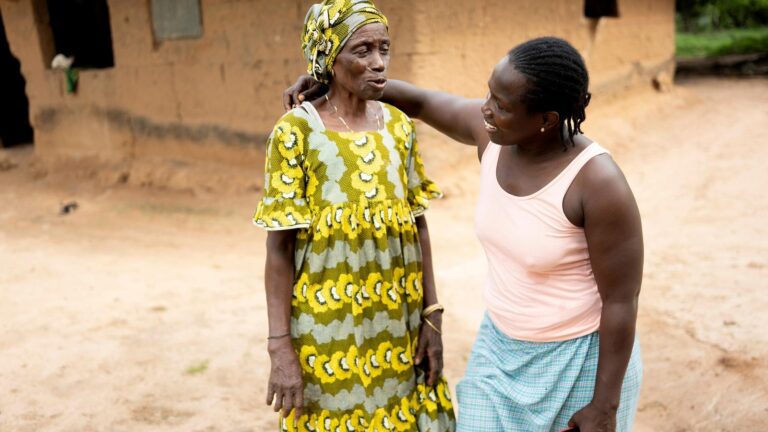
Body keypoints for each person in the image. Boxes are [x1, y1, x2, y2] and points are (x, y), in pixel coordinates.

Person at [285, 36, 643, 432]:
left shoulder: (597, 183)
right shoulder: (490, 135)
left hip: (580, 358)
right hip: (500, 348)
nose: (486, 109)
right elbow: (419, 102)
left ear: (546, 120)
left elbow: (620, 302)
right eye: (489, 94)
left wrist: (604, 406)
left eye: (502, 106)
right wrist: (337, 82)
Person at [254, 1, 456, 431]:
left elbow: (417, 223)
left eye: (385, 48)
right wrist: (279, 345)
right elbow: (279, 247)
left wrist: (431, 313)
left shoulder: (399, 127)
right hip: (327, 326)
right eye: (362, 51)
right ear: (328, 56)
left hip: (398, 320)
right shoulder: (296, 133)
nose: (379, 63)